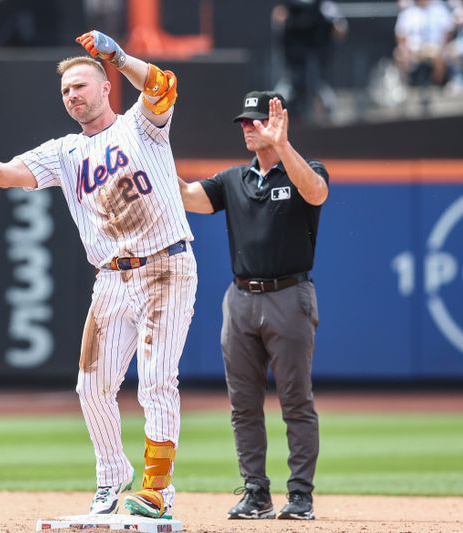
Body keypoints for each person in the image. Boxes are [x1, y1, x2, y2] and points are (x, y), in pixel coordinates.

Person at [0, 30, 197, 519]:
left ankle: (157, 490)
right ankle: (111, 477)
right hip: (111, 277)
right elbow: (4, 174)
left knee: (157, 380)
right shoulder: (65, 151)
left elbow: (162, 86)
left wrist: (115, 55)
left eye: (79, 85)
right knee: (91, 386)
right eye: (65, 91)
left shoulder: (141, 125)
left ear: (104, 88)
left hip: (164, 264)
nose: (71, 95)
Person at [179, 91, 328, 520]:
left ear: (277, 123)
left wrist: (282, 145)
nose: (247, 127)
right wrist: (150, 159)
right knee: (243, 404)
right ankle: (256, 493)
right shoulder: (233, 179)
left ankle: (300, 495)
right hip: (241, 298)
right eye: (244, 122)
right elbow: (190, 196)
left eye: (255, 120)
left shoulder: (306, 170)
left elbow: (315, 193)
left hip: (289, 295)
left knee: (295, 401)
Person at [271, 0, 347, 123]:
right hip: (293, 69)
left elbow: (340, 29)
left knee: (326, 103)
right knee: (281, 99)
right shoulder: (289, 6)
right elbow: (277, 19)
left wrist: (331, 26)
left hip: (317, 69)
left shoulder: (324, 6)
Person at [394, 0, 455, 90]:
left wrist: (442, 47)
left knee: (443, 55)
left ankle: (436, 88)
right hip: (414, 48)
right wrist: (404, 49)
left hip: (435, 47)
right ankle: (404, 88)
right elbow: (400, 34)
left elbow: (448, 31)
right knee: (399, 55)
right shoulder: (408, 11)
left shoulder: (440, 9)